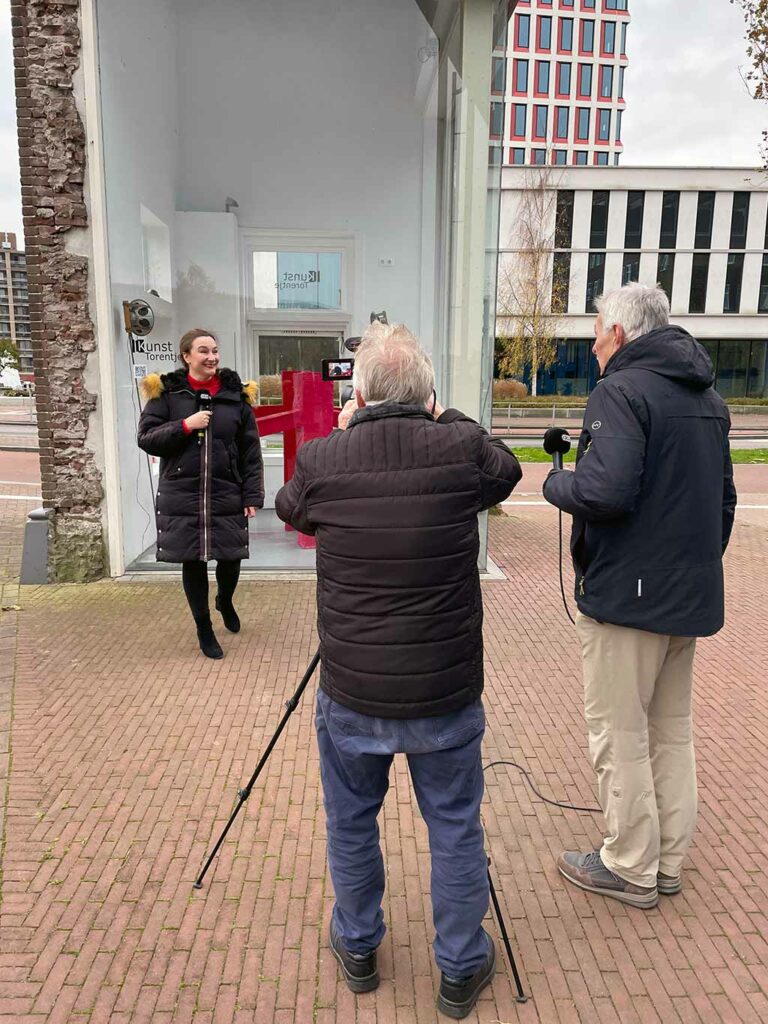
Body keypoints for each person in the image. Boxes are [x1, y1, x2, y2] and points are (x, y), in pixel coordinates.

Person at [275, 322, 522, 1019]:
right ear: (428, 393)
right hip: (443, 693)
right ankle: (460, 967)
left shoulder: (326, 458)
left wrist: (346, 427)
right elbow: (506, 468)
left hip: (353, 691)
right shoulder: (460, 448)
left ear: (360, 394)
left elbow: (292, 507)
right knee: (454, 827)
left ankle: (358, 948)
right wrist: (448, 413)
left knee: (351, 824)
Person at [543, 283, 737, 910]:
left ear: (620, 334)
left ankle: (629, 865)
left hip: (627, 601)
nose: (593, 344)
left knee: (619, 733)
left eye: (597, 331)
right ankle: (667, 859)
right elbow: (724, 501)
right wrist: (693, 566)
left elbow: (606, 492)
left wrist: (557, 482)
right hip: (688, 595)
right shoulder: (708, 397)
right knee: (670, 731)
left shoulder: (619, 391)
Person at [138, 328, 264, 659]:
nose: (212, 357)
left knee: (231, 555)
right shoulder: (166, 394)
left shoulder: (236, 396)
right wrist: (185, 425)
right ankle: (204, 629)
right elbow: (147, 438)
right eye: (204, 351)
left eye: (215, 350)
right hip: (184, 492)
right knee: (193, 561)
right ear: (187, 356)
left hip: (226, 489)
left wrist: (252, 495)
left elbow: (250, 450)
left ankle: (224, 599)